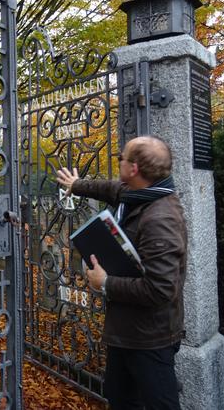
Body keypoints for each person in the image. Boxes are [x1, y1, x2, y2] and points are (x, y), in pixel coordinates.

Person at [56, 136, 187, 410]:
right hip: (128, 331)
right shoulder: (141, 193)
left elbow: (161, 289)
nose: (119, 163)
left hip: (149, 339)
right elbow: (111, 189)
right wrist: (76, 186)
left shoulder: (160, 219)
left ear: (134, 168)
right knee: (120, 398)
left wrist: (106, 283)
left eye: (121, 158)